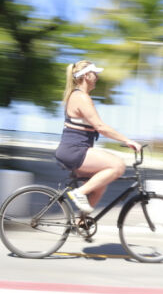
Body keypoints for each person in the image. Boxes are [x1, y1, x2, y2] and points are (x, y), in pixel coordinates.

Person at [55, 60, 142, 214]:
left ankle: (82, 222)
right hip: (75, 151)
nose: (97, 77)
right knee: (118, 165)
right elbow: (100, 127)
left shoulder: (79, 96)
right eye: (95, 73)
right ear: (86, 75)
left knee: (100, 186)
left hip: (76, 151)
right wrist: (127, 140)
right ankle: (79, 193)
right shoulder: (81, 97)